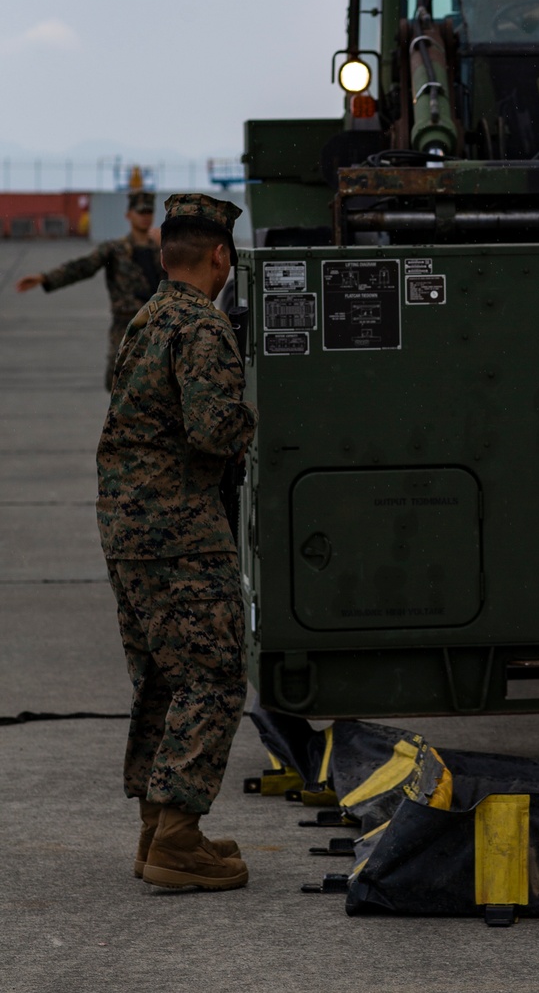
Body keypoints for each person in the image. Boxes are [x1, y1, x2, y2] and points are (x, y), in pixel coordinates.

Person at [96, 193, 258, 891]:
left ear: (164, 254)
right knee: (214, 678)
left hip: (128, 527)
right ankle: (179, 837)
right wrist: (259, 415)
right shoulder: (201, 326)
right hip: (180, 531)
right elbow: (211, 429)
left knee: (162, 681)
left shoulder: (145, 318)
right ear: (221, 254)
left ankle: (155, 831)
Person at [17, 189, 165, 390]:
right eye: (140, 212)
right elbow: (83, 267)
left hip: (158, 325)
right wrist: (46, 278)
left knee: (159, 383)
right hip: (125, 324)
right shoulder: (115, 249)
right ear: (128, 215)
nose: (145, 217)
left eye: (148, 212)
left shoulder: (162, 250)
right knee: (118, 382)